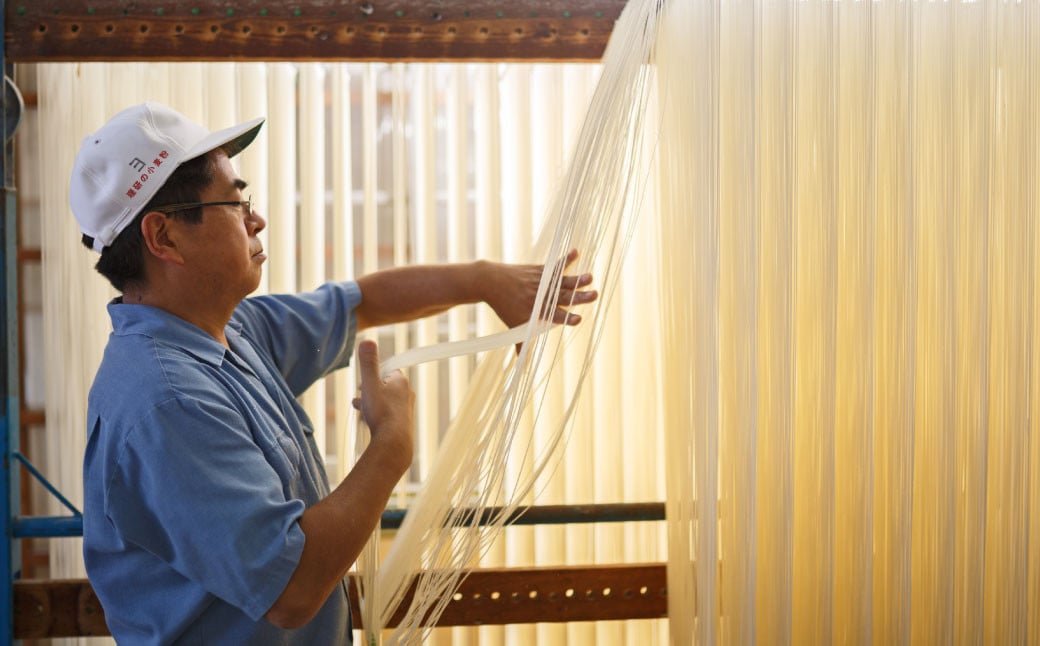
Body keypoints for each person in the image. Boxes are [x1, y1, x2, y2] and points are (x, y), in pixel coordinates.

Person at [70, 102, 597, 644]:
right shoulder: (168, 401)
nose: (256, 218)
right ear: (165, 238)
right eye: (235, 200)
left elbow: (360, 302)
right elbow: (292, 589)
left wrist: (483, 280)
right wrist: (391, 444)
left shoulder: (233, 330)